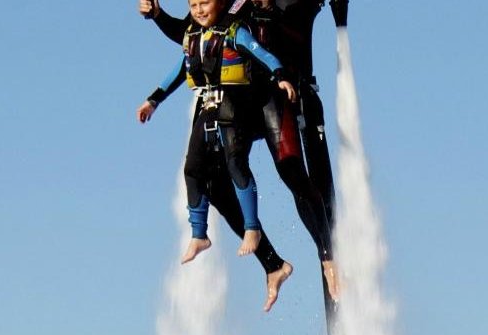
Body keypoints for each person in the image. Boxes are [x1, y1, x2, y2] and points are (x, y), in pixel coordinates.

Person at [140, 0, 343, 298]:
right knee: (210, 181)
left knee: (291, 170)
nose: (198, 7)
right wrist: (158, 16)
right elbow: (189, 36)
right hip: (232, 102)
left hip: (271, 94)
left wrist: (283, 74)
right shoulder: (215, 8)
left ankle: (328, 255)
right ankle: (273, 264)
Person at [138, 0, 296, 270]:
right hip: (208, 106)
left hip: (234, 105)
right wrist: (153, 100)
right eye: (193, 5)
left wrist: (281, 76)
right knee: (192, 169)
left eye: (205, 3)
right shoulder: (193, 36)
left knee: (236, 163)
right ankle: (199, 235)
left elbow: (262, 54)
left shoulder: (234, 32)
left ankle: (252, 228)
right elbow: (178, 72)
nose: (199, 10)